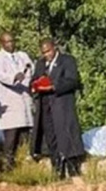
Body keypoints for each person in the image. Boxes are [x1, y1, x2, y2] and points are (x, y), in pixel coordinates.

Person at [30, 38, 84, 178]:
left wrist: (53, 86)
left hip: (62, 104)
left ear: (55, 48)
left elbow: (72, 81)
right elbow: (34, 80)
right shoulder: (40, 64)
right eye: (44, 52)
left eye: (48, 51)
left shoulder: (67, 60)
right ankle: (57, 168)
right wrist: (35, 86)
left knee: (67, 135)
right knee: (51, 137)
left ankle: (72, 168)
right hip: (46, 106)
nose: (46, 55)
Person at [0, 32, 34, 171]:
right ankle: (8, 165)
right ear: (1, 43)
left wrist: (26, 78)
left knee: (25, 134)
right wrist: (14, 77)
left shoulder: (22, 55)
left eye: (12, 41)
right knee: (11, 136)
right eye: (7, 42)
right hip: (10, 103)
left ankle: (24, 165)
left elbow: (30, 70)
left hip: (24, 100)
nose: (10, 44)